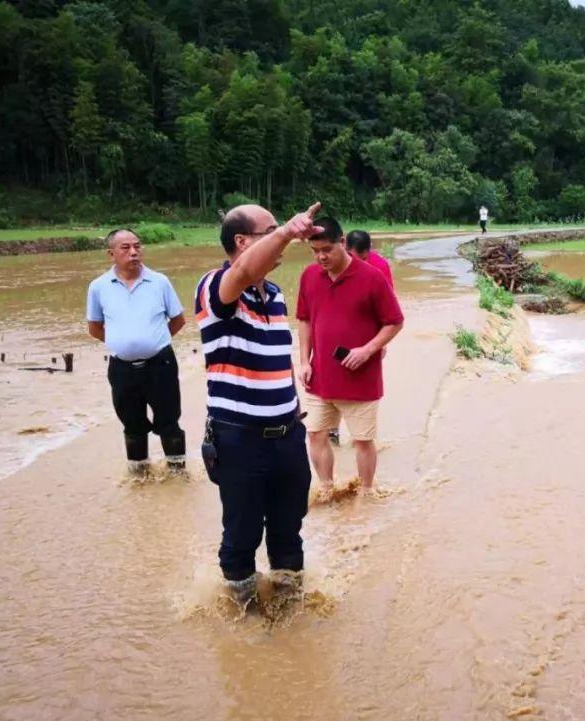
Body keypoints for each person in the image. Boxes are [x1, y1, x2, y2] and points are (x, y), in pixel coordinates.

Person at [194, 202, 323, 606]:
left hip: (286, 435)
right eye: (270, 231)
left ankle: (288, 608)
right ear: (242, 241)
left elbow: (278, 362)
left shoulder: (277, 294)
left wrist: (295, 413)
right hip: (239, 439)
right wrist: (287, 231)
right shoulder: (216, 287)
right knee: (241, 536)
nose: (281, 236)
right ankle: (244, 619)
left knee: (289, 530)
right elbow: (244, 272)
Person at [297, 217, 404, 491]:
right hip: (320, 375)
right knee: (315, 434)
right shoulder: (309, 276)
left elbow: (395, 321)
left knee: (362, 440)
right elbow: (305, 320)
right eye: (315, 251)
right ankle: (327, 489)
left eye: (327, 250)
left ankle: (366, 492)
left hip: (361, 377)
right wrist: (303, 361)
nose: (321, 257)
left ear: (342, 243)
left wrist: (368, 350)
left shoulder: (372, 277)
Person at [86, 228, 186, 474]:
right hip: (122, 369)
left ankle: (178, 473)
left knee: (169, 421)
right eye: (125, 248)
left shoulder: (159, 282)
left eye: (137, 246)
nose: (134, 252)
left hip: (160, 365)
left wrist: (154, 341)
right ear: (111, 254)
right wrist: (123, 343)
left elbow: (178, 320)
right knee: (132, 424)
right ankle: (139, 476)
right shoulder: (99, 287)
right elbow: (94, 327)